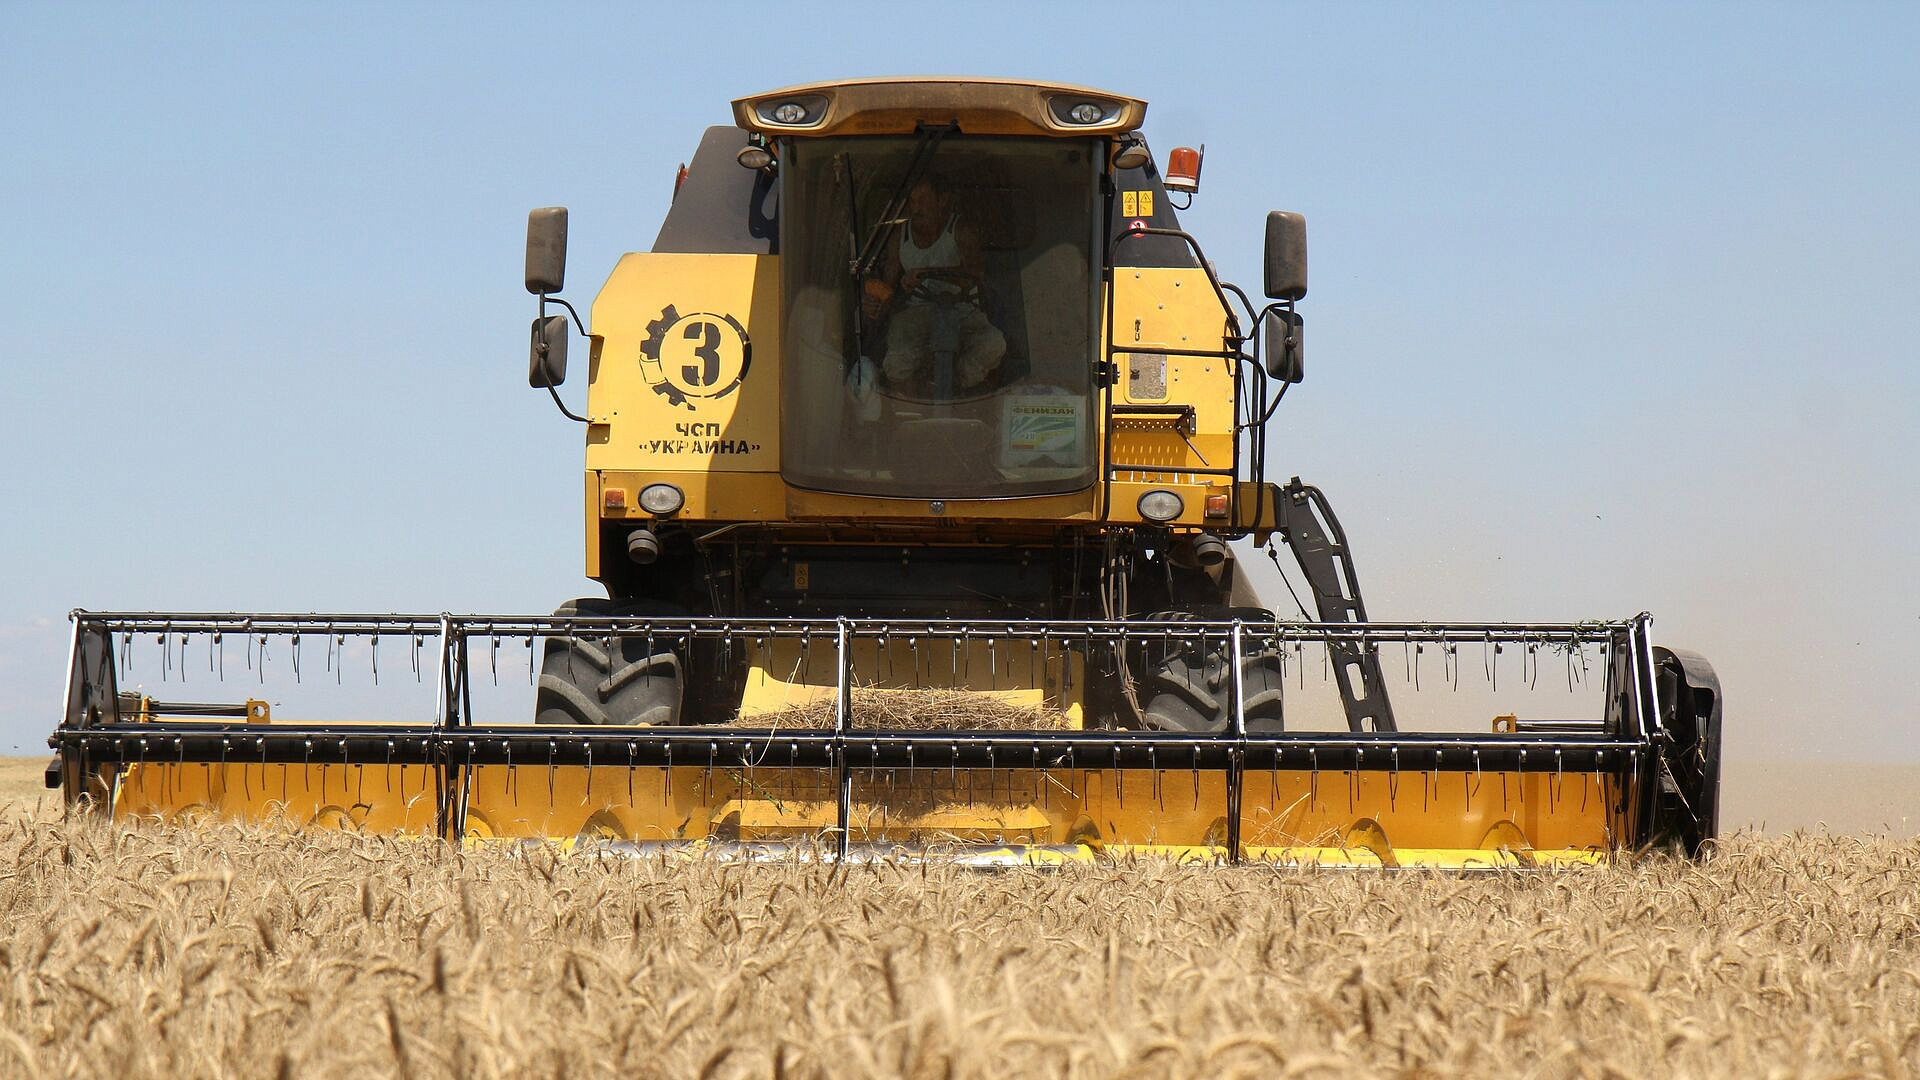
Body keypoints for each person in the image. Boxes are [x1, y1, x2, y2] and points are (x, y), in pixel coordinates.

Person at [861, 177, 1006, 394]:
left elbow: (976, 274)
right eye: (912, 201)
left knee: (993, 344)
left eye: (923, 200)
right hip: (917, 312)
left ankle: (957, 388)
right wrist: (876, 304)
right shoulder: (900, 235)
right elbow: (889, 283)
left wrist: (928, 273)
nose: (916, 208)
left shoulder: (961, 230)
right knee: (897, 364)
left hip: (963, 310)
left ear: (942, 200)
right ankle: (914, 404)